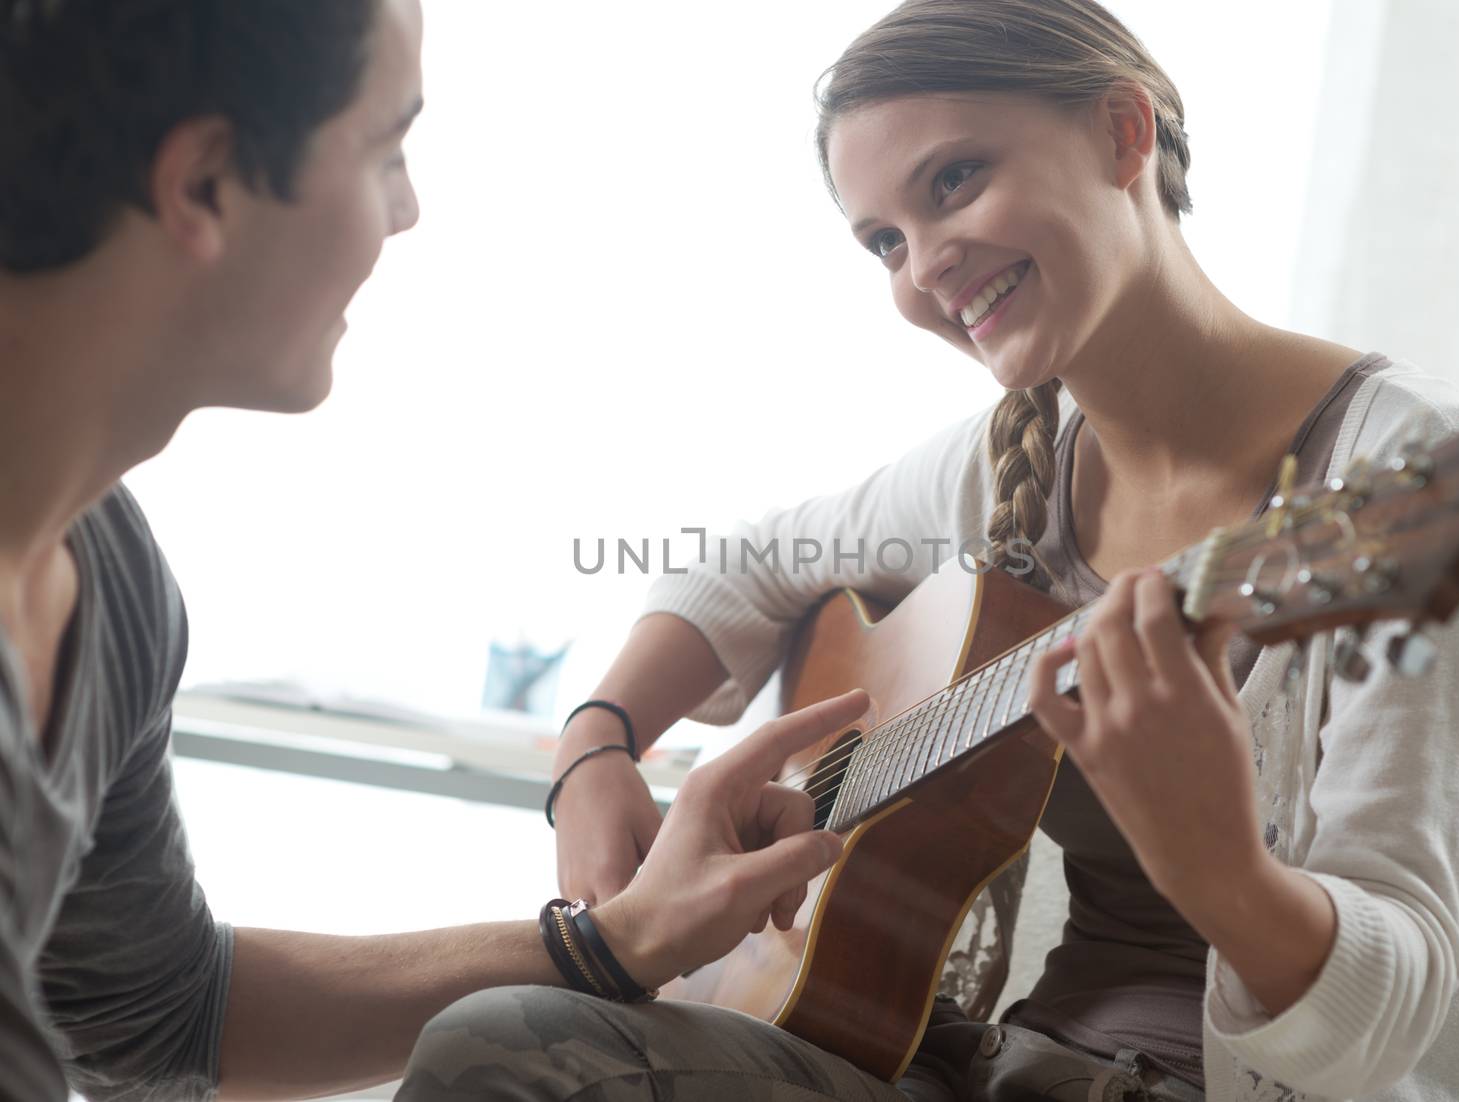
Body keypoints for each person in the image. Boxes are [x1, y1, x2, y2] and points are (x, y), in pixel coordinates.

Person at [399, 0, 1459, 1099]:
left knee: (503, 1054)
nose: (923, 264)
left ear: (1122, 131)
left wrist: (1221, 869)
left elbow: (1407, 1006)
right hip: (997, 1056)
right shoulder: (1007, 461)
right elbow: (740, 567)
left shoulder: (1403, 470)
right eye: (885, 239)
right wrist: (595, 747)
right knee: (512, 1038)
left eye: (954, 181)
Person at [0, 2, 860, 1099]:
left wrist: (619, 938)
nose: (408, 211)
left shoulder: (106, 584)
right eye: (386, 148)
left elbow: (160, 1009)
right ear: (205, 183)